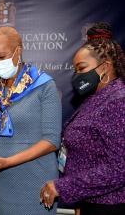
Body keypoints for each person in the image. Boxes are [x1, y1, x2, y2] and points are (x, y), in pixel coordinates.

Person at [0, 26, 62, 214]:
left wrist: (8, 161)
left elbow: (52, 141)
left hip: (37, 180)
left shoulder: (44, 86)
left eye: (1, 56)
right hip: (2, 181)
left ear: (17, 52)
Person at [40, 22, 125, 215]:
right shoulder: (96, 98)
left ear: (105, 67)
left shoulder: (119, 101)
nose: (77, 76)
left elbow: (120, 168)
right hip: (90, 201)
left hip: (110, 206)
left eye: (82, 68)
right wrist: (79, 199)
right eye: (75, 70)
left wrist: (64, 187)